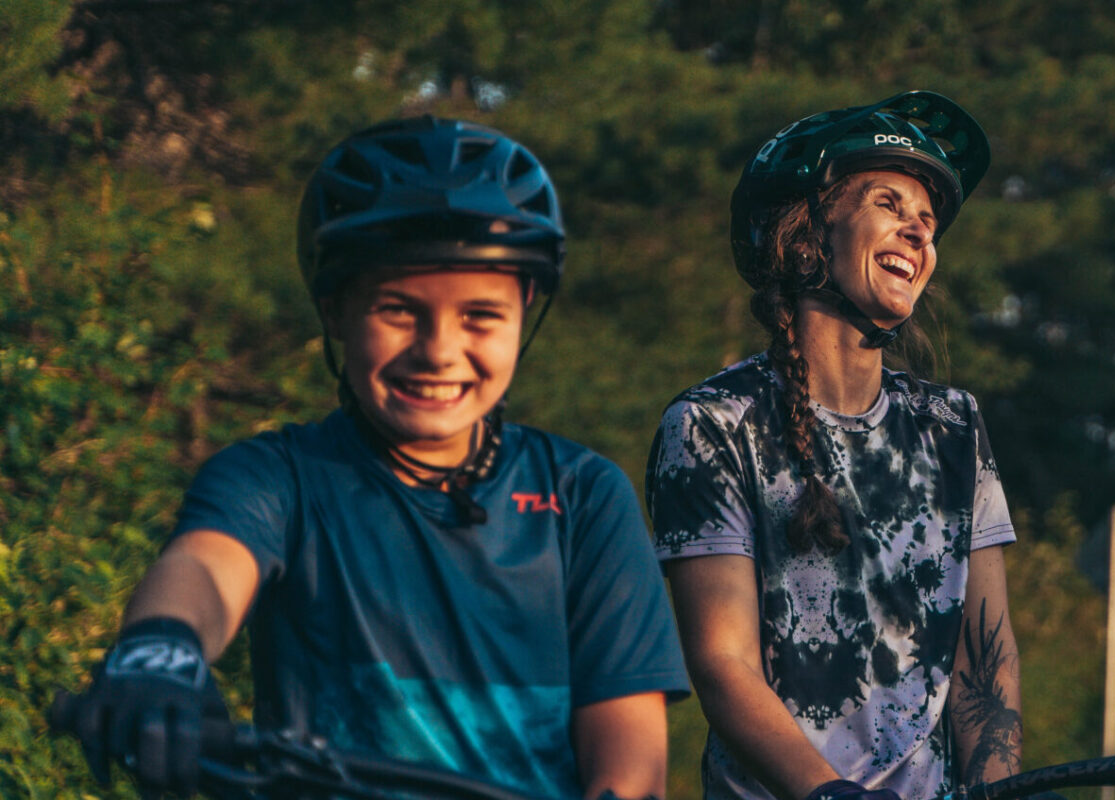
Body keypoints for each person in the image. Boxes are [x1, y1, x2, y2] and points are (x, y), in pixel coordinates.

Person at [64, 116, 689, 800]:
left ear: (526, 310)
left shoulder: (583, 494)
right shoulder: (280, 477)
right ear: (335, 313)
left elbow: (630, 762)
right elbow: (206, 568)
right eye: (397, 310)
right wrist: (161, 653)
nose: (439, 351)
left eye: (480, 316)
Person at [647, 91, 1020, 800]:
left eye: (928, 221)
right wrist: (827, 795)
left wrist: (1000, 788)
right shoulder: (714, 424)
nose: (917, 233)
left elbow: (985, 656)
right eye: (888, 203)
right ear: (804, 232)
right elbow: (723, 661)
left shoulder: (954, 426)